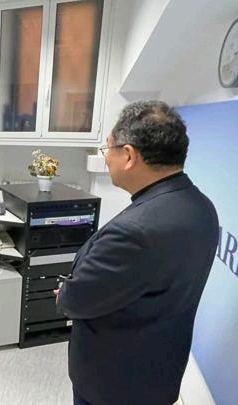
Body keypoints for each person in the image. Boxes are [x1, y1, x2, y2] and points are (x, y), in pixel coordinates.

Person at [56, 100, 219, 405]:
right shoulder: (201, 207)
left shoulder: (133, 231)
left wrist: (65, 292)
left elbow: (75, 301)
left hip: (113, 386)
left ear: (129, 155)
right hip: (158, 373)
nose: (106, 158)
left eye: (108, 148)